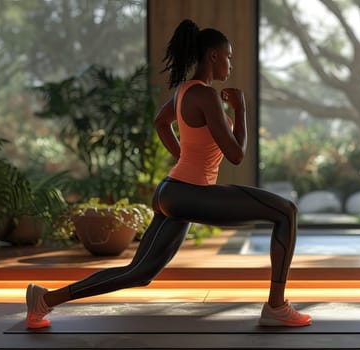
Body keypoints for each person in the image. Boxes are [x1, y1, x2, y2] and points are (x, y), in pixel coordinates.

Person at [25, 19, 312, 329]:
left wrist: (184, 158)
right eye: (227, 55)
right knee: (286, 212)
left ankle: (45, 299)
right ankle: (276, 306)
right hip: (189, 192)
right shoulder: (205, 95)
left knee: (139, 272)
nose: (230, 63)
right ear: (213, 56)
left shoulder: (184, 91)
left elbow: (161, 123)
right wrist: (241, 110)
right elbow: (236, 154)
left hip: (171, 191)